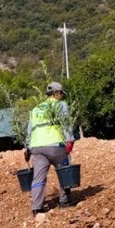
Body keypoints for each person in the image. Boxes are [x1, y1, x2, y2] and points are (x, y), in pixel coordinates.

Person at [26, 82, 76, 215]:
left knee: (38, 178)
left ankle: (37, 208)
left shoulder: (35, 109)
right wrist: (70, 140)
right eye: (61, 94)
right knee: (64, 171)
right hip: (55, 145)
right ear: (58, 93)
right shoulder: (60, 105)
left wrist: (27, 147)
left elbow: (30, 130)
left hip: (37, 147)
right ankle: (64, 201)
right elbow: (65, 123)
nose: (62, 96)